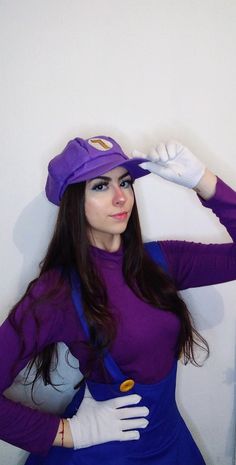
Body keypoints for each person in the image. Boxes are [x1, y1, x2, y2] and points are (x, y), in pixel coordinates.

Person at [0, 135, 235, 465]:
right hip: (108, 452)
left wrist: (204, 182)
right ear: (74, 201)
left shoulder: (161, 261)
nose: (121, 197)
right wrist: (69, 433)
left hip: (171, 443)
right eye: (100, 186)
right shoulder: (56, 293)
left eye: (125, 182)